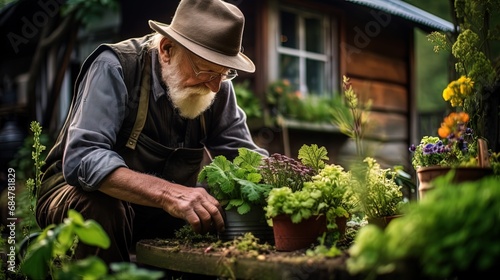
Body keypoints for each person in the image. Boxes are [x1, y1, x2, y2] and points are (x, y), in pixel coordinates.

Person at [36, 0, 268, 263]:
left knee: (220, 205)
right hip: (74, 198)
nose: (215, 87)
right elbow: (84, 157)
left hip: (158, 211)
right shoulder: (115, 67)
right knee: (100, 207)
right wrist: (169, 193)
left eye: (225, 73)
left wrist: (291, 187)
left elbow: (246, 159)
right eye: (206, 70)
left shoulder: (216, 86)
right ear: (167, 49)